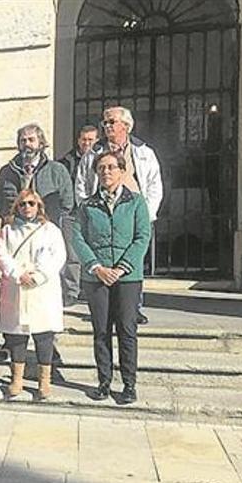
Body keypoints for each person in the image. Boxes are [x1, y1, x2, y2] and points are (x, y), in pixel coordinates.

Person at [73, 152, 151, 405]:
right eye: (101, 168)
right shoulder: (87, 205)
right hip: (97, 278)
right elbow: (78, 238)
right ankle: (104, 381)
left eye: (111, 167)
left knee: (127, 330)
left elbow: (142, 237)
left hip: (127, 278)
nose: (106, 172)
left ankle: (129, 384)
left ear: (121, 171)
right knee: (101, 331)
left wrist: (122, 267)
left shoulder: (136, 202)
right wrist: (96, 267)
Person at [75, 106, 163, 325]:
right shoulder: (93, 153)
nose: (106, 126)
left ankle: (134, 308)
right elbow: (82, 184)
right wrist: (88, 209)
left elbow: (154, 185)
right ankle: (104, 308)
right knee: (104, 258)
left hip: (133, 214)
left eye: (111, 122)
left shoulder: (144, 152)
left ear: (126, 125)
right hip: (101, 212)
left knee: (132, 261)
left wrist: (147, 214)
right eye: (104, 122)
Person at [0, 190, 66, 400]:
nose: (27, 207)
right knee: (17, 336)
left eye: (32, 203)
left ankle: (44, 380)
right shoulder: (8, 230)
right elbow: (1, 255)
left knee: (43, 335)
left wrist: (38, 276)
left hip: (42, 290)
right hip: (16, 289)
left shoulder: (50, 230)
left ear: (39, 207)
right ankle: (16, 379)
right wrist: (18, 274)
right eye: (23, 204)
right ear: (17, 207)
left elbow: (58, 255)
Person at [0, 123, 73, 228]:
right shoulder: (6, 172)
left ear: (41, 144)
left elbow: (67, 203)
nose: (27, 144)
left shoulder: (57, 171)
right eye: (23, 140)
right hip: (15, 231)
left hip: (46, 230)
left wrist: (50, 222)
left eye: (31, 140)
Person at [57, 125, 98, 306]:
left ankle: (92, 288)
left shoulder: (101, 158)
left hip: (96, 213)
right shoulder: (66, 162)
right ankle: (72, 292)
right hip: (72, 213)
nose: (86, 143)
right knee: (72, 254)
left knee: (94, 251)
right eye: (84, 139)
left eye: (91, 140)